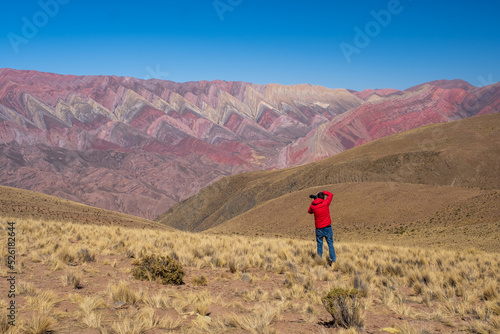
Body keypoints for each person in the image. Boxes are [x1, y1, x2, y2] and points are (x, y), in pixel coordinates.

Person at [308, 190, 336, 265]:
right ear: (323, 197)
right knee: (330, 244)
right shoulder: (325, 203)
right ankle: (333, 261)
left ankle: (319, 261)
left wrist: (314, 201)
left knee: (319, 245)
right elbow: (331, 194)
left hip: (319, 229)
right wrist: (323, 191)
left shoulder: (313, 205)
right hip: (327, 227)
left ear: (317, 197)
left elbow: (309, 211)